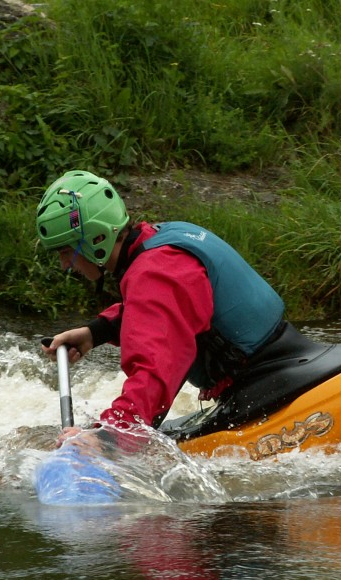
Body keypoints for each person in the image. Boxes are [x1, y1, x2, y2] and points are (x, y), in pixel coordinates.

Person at [37, 169, 286, 445]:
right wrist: (95, 332)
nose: (64, 265)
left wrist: (105, 440)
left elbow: (154, 373)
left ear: (97, 239)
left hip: (268, 388)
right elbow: (160, 310)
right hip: (269, 372)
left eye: (66, 252)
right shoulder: (160, 240)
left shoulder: (155, 270)